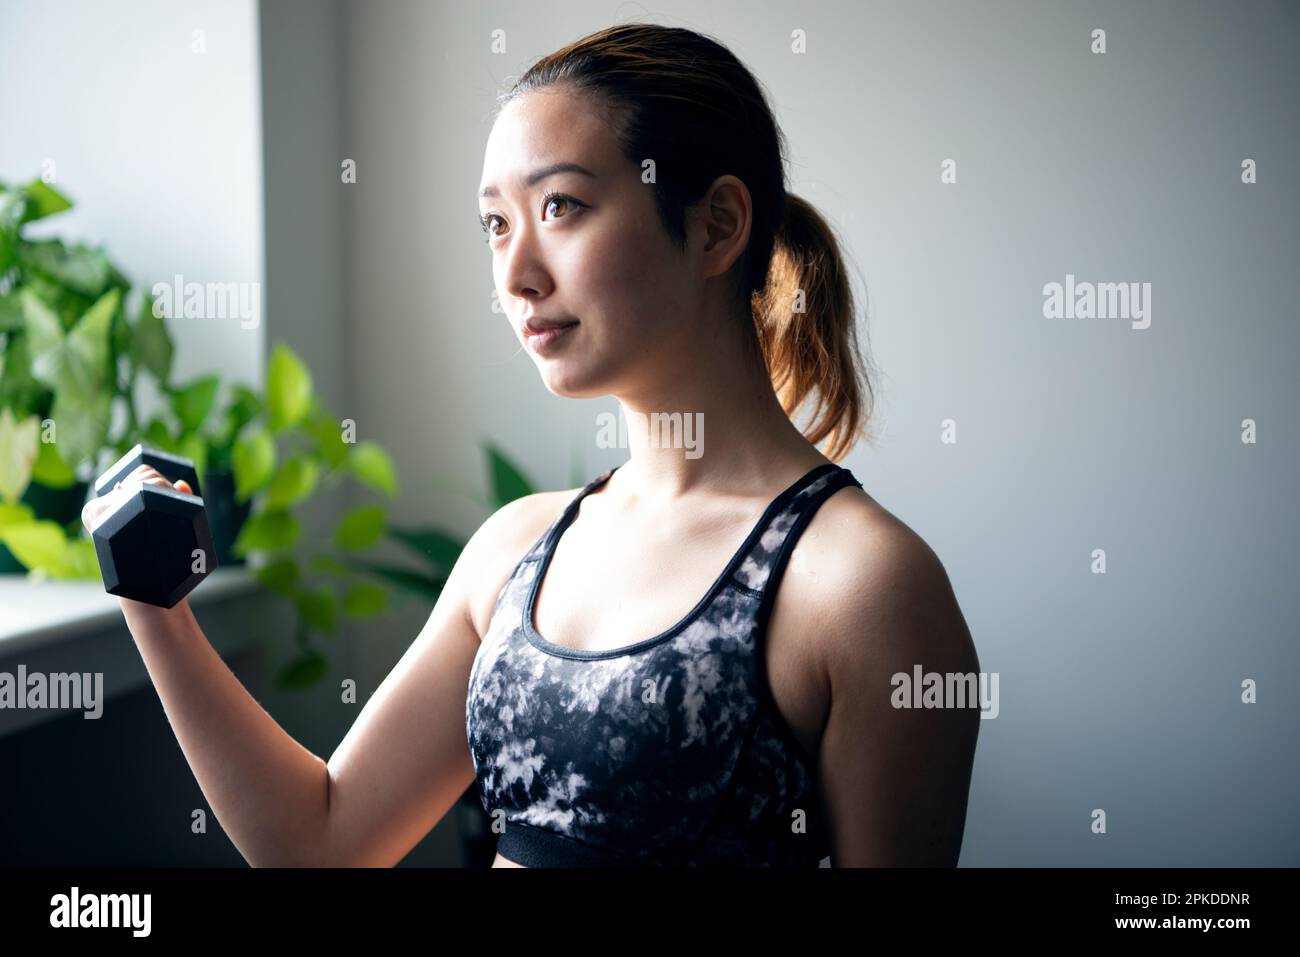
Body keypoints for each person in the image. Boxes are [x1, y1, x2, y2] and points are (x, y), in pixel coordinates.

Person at [83, 23, 980, 868]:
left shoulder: (863, 587)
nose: (515, 275)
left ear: (717, 225)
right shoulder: (516, 550)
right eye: (496, 225)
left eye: (561, 206)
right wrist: (154, 602)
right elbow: (320, 839)